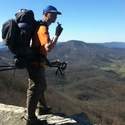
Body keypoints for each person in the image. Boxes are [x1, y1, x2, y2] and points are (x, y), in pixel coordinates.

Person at [26, 5, 63, 125]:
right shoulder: (43, 29)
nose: (55, 16)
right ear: (46, 14)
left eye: (56, 14)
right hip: (35, 64)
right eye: (53, 14)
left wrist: (50, 62)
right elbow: (48, 47)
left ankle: (42, 108)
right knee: (35, 88)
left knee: (42, 86)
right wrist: (57, 35)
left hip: (37, 62)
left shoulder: (41, 27)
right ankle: (30, 117)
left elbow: (41, 49)